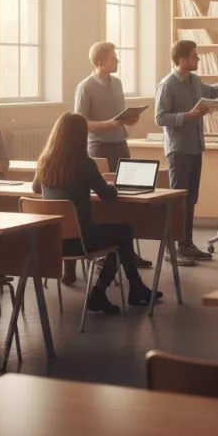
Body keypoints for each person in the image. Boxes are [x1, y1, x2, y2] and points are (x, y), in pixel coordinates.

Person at [31, 113, 161, 315]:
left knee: (117, 233)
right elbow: (108, 195)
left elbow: (35, 188)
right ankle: (106, 291)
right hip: (81, 240)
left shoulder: (45, 161)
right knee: (124, 232)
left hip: (51, 239)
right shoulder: (84, 163)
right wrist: (109, 183)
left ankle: (136, 288)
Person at [155, 40, 218, 265]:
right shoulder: (168, 84)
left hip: (196, 147)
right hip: (178, 150)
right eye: (195, 56)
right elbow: (160, 118)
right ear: (182, 60)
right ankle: (172, 249)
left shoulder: (194, 80)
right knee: (178, 200)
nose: (197, 59)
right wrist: (188, 115)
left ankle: (186, 244)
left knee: (190, 199)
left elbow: (214, 91)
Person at [73, 41, 152, 279]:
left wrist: (130, 119)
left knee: (125, 195)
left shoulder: (117, 83)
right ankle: (102, 255)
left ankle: (127, 251)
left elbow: (120, 115)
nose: (117, 61)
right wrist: (109, 124)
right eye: (113, 58)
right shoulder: (85, 87)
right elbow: (79, 123)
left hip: (120, 142)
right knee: (103, 198)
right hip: (99, 145)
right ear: (99, 62)